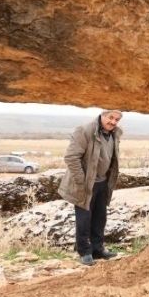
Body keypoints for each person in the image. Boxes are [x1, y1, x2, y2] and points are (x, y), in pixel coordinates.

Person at [58, 109, 123, 266]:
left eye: (117, 119)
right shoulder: (84, 131)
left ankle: (97, 249)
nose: (113, 122)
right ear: (102, 114)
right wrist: (82, 181)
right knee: (84, 220)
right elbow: (71, 158)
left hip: (102, 183)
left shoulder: (116, 133)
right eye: (111, 117)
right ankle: (84, 251)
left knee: (100, 218)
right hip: (85, 185)